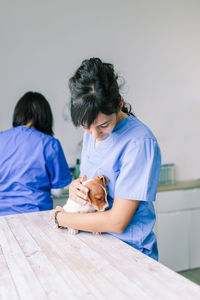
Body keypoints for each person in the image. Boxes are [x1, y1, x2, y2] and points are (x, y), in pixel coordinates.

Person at [50, 58, 161, 260]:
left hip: (129, 254)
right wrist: (76, 189)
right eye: (86, 126)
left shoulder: (139, 143)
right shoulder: (93, 132)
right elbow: (90, 181)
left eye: (103, 126)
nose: (94, 135)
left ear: (119, 104)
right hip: (95, 245)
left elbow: (117, 222)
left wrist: (60, 217)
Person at [0, 91, 71, 216]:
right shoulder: (50, 143)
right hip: (35, 216)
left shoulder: (2, 138)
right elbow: (58, 192)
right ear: (45, 116)